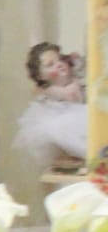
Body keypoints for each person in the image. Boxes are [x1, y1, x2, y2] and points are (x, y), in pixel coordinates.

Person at [15, 40, 88, 171]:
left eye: (60, 59)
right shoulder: (52, 90)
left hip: (80, 112)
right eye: (50, 65)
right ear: (41, 76)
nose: (59, 64)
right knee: (61, 129)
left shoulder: (74, 77)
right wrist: (75, 84)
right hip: (64, 116)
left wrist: (76, 62)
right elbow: (71, 96)